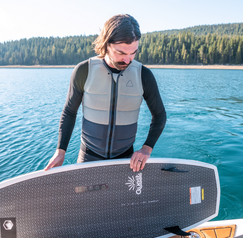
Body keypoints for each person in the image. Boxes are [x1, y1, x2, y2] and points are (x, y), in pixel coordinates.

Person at [44, 14, 166, 172]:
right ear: (106, 43)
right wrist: (60, 152)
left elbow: (160, 115)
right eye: (121, 53)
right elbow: (69, 112)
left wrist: (146, 149)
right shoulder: (84, 71)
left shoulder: (143, 75)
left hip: (126, 160)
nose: (128, 60)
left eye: (133, 53)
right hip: (88, 157)